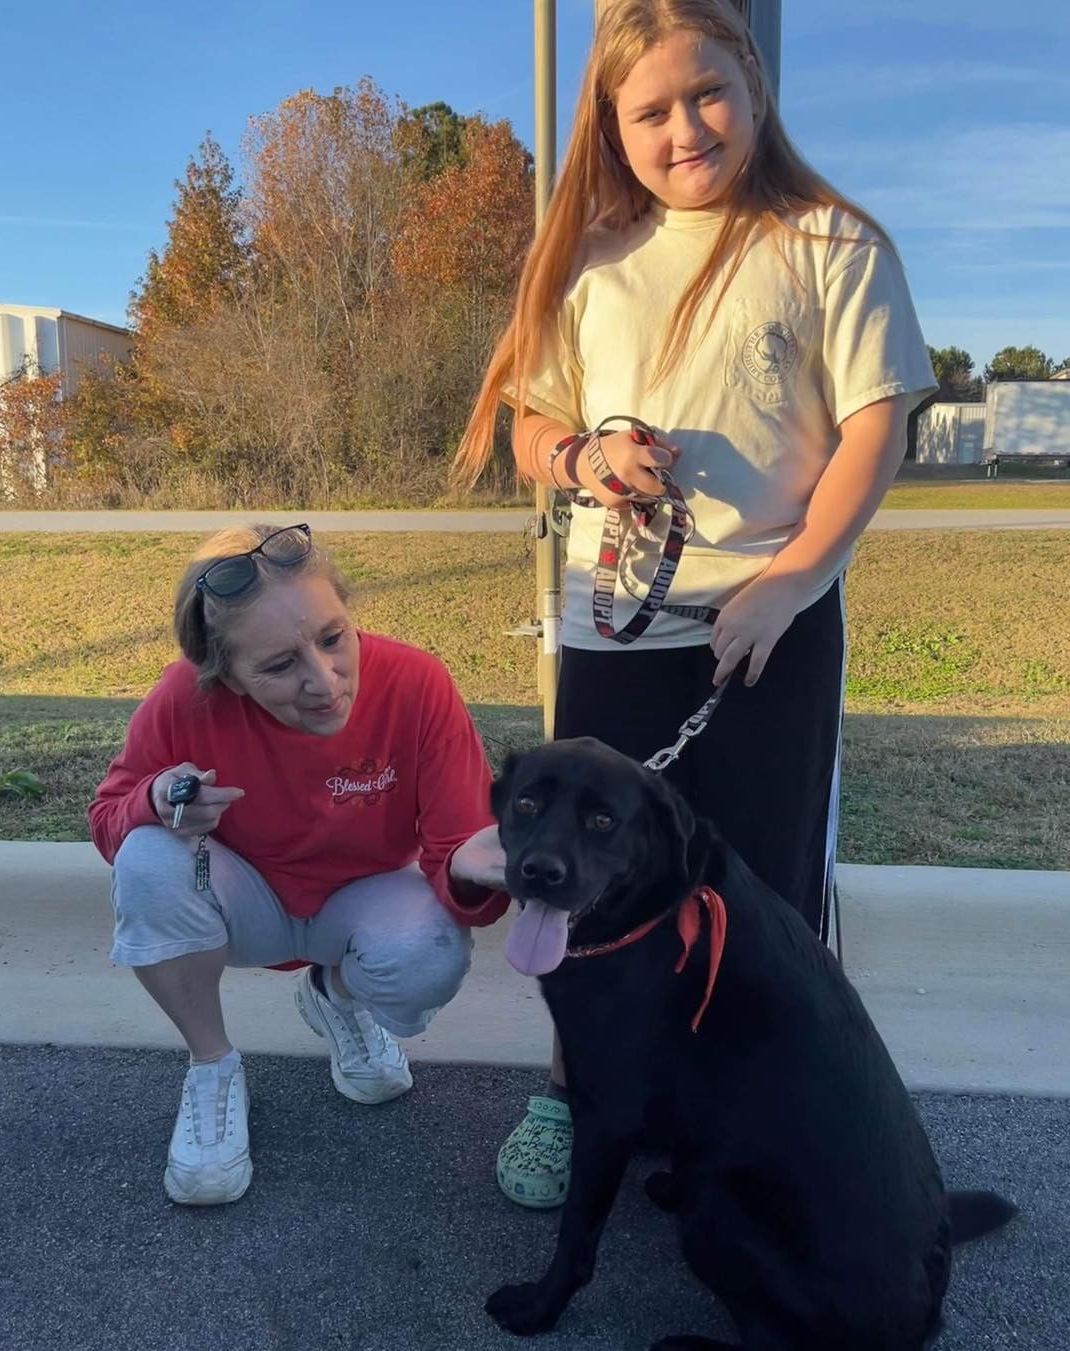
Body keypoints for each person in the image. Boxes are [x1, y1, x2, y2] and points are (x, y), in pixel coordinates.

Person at [451, 0, 937, 1209]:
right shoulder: (589, 262)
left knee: (757, 897)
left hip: (770, 630)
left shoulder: (834, 242)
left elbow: (875, 429)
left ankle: (763, 1117)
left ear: (754, 88)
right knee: (578, 882)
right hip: (611, 634)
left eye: (706, 94)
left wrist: (791, 582)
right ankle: (574, 1092)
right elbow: (531, 427)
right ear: (613, 128)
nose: (685, 128)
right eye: (650, 110)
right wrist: (582, 461)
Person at [89, 523, 508, 1206]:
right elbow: (109, 820)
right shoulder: (183, 698)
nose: (324, 681)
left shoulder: (417, 682)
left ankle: (335, 995)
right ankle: (212, 1065)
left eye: (334, 637)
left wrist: (475, 866)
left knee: (430, 951)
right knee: (146, 857)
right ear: (226, 673)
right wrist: (157, 798)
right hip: (242, 902)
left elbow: (456, 849)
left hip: (359, 902)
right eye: (280, 666)